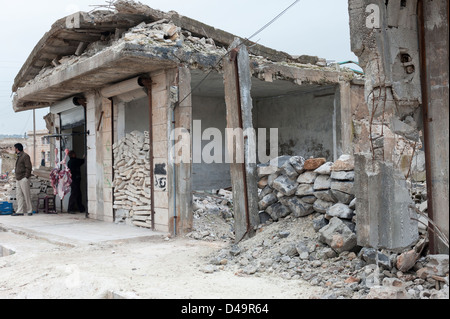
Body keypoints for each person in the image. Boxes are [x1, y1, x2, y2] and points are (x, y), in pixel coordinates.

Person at [13, 143, 33, 216]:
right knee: (19, 195)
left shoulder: (25, 156)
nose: (14, 150)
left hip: (23, 178)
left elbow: (28, 167)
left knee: (26, 194)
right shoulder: (19, 156)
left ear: (17, 149)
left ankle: (29, 210)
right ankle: (20, 211)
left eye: (15, 148)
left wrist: (26, 177)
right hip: (18, 178)